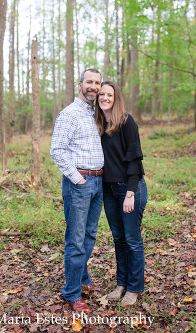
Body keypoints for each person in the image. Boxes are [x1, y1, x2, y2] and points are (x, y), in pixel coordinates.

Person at [50, 68, 104, 313]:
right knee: (76, 240)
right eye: (89, 82)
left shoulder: (97, 113)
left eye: (97, 83)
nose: (93, 86)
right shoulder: (69, 114)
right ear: (80, 84)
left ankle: (82, 279)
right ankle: (72, 293)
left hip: (98, 183)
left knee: (90, 235)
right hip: (79, 183)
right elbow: (57, 150)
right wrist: (77, 179)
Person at [94, 81, 148, 307]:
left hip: (129, 189)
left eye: (109, 94)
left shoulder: (126, 122)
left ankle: (134, 288)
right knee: (119, 239)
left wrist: (130, 193)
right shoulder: (97, 124)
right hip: (108, 190)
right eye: (102, 94)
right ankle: (121, 284)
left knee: (132, 240)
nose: (105, 98)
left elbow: (135, 160)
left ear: (116, 98)